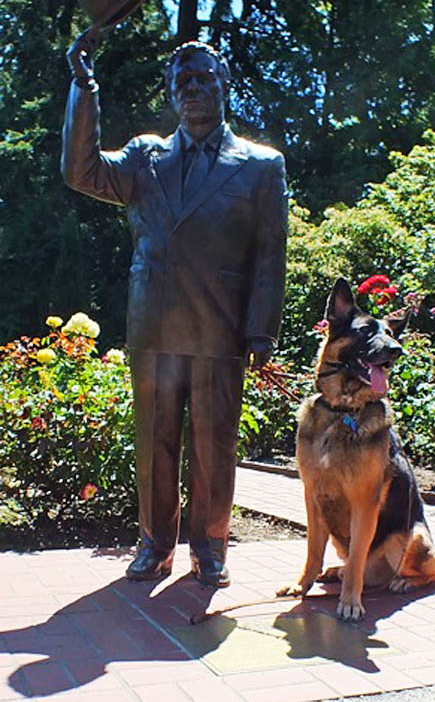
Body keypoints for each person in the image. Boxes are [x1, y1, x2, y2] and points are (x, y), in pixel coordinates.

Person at [61, 33, 288, 587]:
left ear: (225, 85)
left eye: (204, 78)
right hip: (156, 322)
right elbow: (81, 171)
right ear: (170, 93)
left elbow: (269, 255)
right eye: (182, 81)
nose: (193, 89)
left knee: (214, 446)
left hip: (219, 324)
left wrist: (261, 330)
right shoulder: (145, 156)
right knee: (154, 443)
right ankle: (154, 544)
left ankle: (210, 548)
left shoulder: (261, 165)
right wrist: (85, 87)